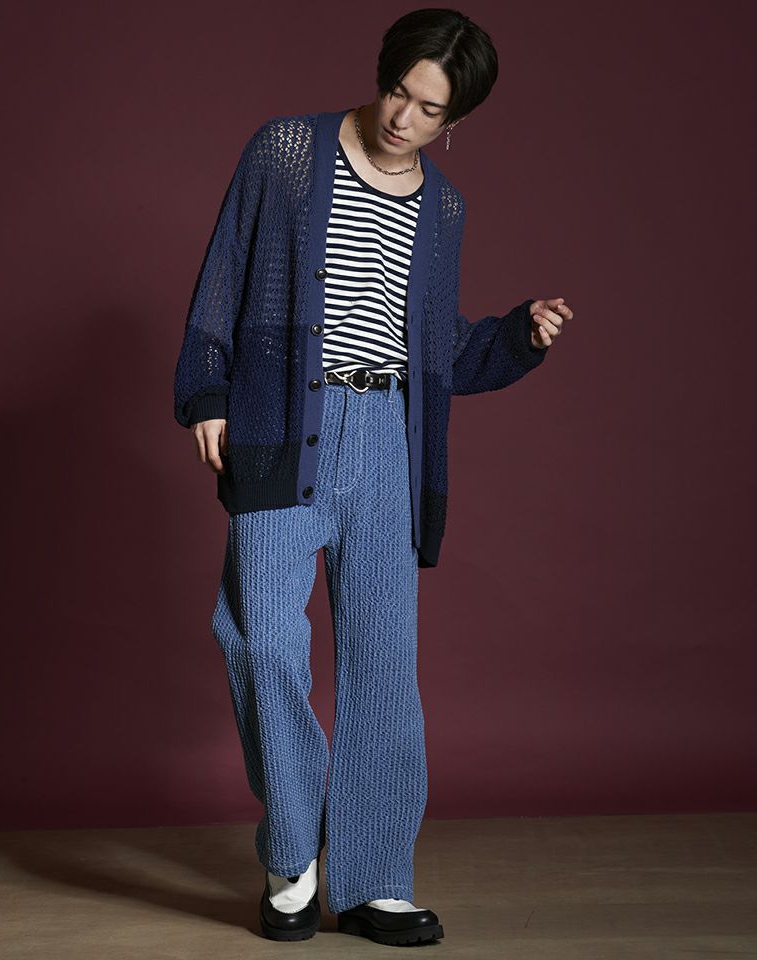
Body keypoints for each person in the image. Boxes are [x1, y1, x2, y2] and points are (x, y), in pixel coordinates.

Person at [173, 7, 571, 948]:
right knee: (261, 638)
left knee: (384, 662)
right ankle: (294, 853)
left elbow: (439, 352)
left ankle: (376, 876)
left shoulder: (444, 209)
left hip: (389, 439)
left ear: (455, 119)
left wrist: (517, 336)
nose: (404, 118)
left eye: (430, 110)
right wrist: (206, 392)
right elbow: (225, 274)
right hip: (283, 424)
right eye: (399, 92)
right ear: (384, 75)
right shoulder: (288, 152)